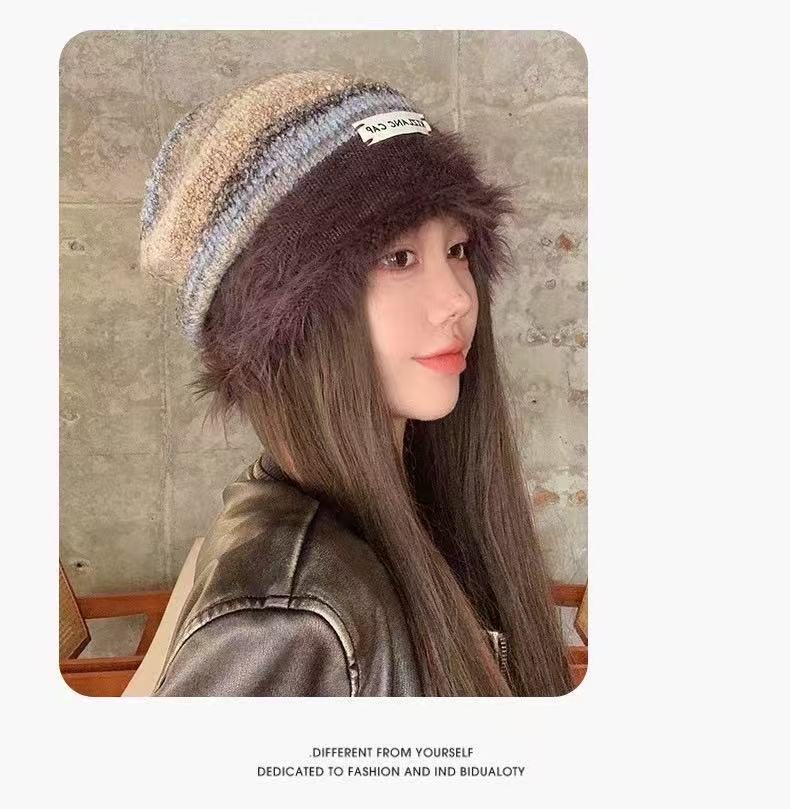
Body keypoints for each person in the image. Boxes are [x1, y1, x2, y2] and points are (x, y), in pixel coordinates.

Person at [139, 69, 575, 697]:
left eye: (457, 250)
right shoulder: (287, 621)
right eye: (398, 258)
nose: (457, 299)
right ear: (288, 318)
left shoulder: (418, 512)